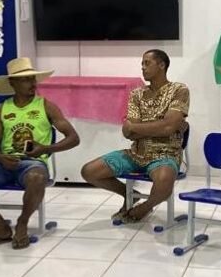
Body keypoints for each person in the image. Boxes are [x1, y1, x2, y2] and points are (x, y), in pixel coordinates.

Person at [0, 57, 79, 250]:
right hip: (4, 164)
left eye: (33, 79)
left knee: (37, 177)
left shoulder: (46, 106)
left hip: (33, 163)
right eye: (26, 79)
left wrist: (45, 149)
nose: (32, 83)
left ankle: (22, 223)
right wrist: (1, 158)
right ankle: (0, 227)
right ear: (12, 83)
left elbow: (73, 138)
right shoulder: (1, 109)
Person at [81, 49, 189, 222]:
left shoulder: (179, 90)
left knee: (164, 179)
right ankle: (129, 194)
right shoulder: (137, 94)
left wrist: (139, 127)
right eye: (142, 64)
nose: (143, 67)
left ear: (162, 65)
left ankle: (144, 207)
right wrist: (160, 125)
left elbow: (168, 128)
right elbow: (128, 132)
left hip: (165, 154)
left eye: (147, 63)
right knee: (89, 171)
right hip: (136, 153)